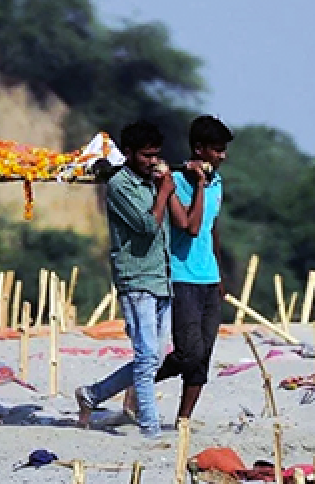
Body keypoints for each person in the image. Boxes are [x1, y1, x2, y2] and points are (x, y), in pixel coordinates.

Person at [74, 120, 175, 438]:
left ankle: (92, 395)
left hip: (161, 278)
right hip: (136, 280)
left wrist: (163, 187)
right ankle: (150, 430)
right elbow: (147, 226)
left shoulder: (150, 182)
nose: (153, 162)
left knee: (154, 360)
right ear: (128, 154)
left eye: (156, 155)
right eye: (146, 156)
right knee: (145, 357)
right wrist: (164, 191)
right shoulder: (120, 186)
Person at [155, 115, 234, 423]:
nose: (222, 156)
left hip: (208, 279)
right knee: (189, 352)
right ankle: (140, 384)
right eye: (217, 149)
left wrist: (219, 273)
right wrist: (199, 184)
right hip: (181, 277)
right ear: (199, 150)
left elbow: (211, 229)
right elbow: (190, 226)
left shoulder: (218, 184)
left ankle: (183, 420)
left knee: (203, 356)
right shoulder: (177, 183)